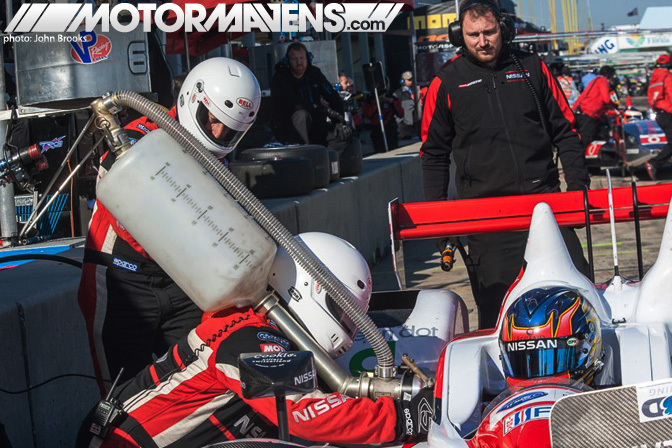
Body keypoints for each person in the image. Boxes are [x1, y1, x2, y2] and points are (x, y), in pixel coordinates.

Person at [76, 233, 433, 447]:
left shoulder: (278, 337)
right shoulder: (248, 335)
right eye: (341, 313)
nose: (346, 328)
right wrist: (401, 419)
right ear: (306, 288)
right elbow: (303, 414)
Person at [77, 58, 262, 394]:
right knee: (119, 391)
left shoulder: (219, 160)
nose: (220, 134)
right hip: (120, 278)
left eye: (232, 130)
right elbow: (129, 210)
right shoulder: (136, 138)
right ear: (195, 100)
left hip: (182, 281)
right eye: (215, 122)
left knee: (198, 379)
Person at [421, 0, 590, 329]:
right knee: (498, 317)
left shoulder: (533, 69)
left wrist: (578, 189)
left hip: (545, 208)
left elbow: (567, 132)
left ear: (505, 30)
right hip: (486, 219)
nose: (482, 41)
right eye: (473, 35)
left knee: (579, 300)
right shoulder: (446, 83)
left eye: (489, 32)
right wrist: (439, 223)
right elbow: (433, 156)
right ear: (460, 36)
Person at [270, 42, 351, 149]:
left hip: (316, 124)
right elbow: (294, 103)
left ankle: (325, 162)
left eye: (301, 58)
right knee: (302, 115)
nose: (299, 62)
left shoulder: (314, 73)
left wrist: (339, 121)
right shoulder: (281, 78)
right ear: (288, 61)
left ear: (307, 58)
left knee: (345, 135)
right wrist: (323, 109)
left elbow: (333, 96)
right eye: (294, 59)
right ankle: (303, 155)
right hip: (290, 128)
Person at [573, 65, 618, 151]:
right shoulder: (603, 81)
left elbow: (583, 95)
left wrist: (574, 107)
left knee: (594, 135)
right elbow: (606, 99)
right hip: (591, 114)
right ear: (609, 75)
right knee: (587, 139)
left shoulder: (594, 80)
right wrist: (614, 106)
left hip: (584, 113)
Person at [645, 54, 672, 181]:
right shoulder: (668, 76)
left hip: (659, 114)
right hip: (668, 112)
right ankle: (655, 163)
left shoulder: (654, 78)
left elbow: (650, 98)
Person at [362, 83, 403, 153]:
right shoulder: (369, 99)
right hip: (377, 130)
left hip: (390, 128)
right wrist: (377, 102)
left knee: (393, 150)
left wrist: (391, 102)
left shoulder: (391, 98)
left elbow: (401, 114)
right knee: (380, 150)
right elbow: (368, 114)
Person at [394, 71, 421, 139]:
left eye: (412, 79)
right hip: (406, 129)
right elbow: (394, 109)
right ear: (402, 81)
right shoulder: (398, 93)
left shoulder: (417, 91)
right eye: (409, 80)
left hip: (416, 127)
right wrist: (400, 122)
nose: (411, 81)